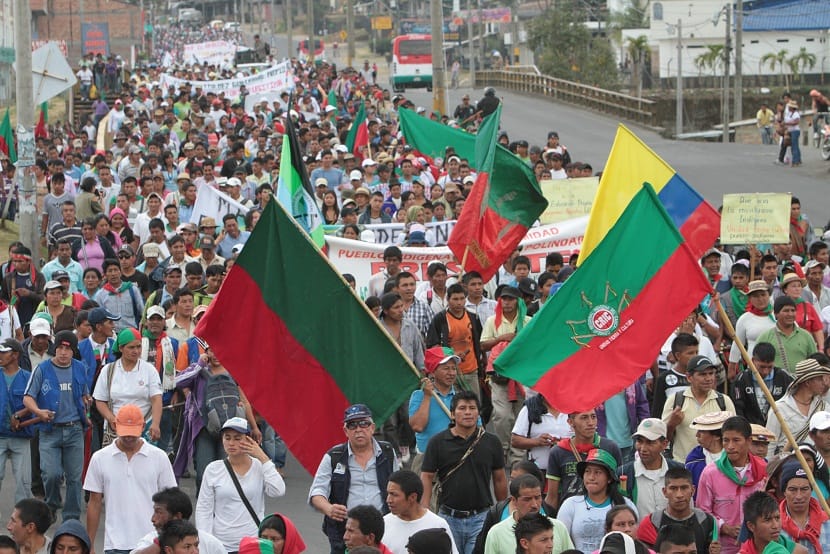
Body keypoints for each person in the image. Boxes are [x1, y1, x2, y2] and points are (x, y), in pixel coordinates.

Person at [420, 390, 507, 554]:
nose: (467, 412)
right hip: (447, 517)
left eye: (472, 408)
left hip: (481, 517)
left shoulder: (491, 442)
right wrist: (425, 509)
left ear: (478, 413)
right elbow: (426, 476)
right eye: (462, 408)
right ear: (453, 414)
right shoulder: (437, 442)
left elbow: (500, 478)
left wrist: (503, 511)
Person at [85, 404, 177, 554]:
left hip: (151, 543)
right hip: (114, 545)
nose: (128, 437)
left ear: (142, 427)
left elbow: (172, 501)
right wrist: (90, 544)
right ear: (115, 426)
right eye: (125, 432)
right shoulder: (99, 459)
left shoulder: (159, 457)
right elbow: (94, 502)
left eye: (133, 432)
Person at [309, 404, 399, 554]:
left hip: (381, 530)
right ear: (345, 431)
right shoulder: (334, 456)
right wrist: (329, 508)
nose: (358, 429)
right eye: (352, 425)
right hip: (345, 532)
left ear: (372, 427)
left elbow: (398, 486)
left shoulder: (387, 452)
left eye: (364, 423)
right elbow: (317, 492)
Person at [173, 344, 261, 492]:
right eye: (212, 351)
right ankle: (205, 504)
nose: (216, 355)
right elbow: (178, 382)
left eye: (220, 350)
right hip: (203, 429)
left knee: (227, 471)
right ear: (206, 352)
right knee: (203, 472)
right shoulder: (199, 371)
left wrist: (254, 427)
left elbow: (244, 401)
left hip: (229, 431)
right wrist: (199, 365)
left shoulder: (234, 372)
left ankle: (223, 504)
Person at [22, 330, 89, 523]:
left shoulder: (80, 368)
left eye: (67, 348)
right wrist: (39, 412)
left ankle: (71, 517)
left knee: (75, 479)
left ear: (73, 350)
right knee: (51, 475)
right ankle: (52, 505)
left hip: (75, 429)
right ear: (54, 348)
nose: (63, 352)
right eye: (59, 347)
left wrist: (86, 400)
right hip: (50, 431)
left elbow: (84, 393)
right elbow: (27, 398)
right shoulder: (42, 369)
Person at [195, 417, 286, 553]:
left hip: (253, 544)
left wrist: (262, 457)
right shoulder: (213, 469)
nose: (231, 443)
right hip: (221, 545)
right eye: (227, 438)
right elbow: (204, 509)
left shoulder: (260, 467)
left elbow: (278, 490)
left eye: (237, 438)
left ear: (249, 440)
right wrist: (205, 544)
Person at [697, 416, 768, 554]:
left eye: (736, 440)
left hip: (757, 548)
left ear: (748, 441)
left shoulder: (762, 471)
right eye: (726, 440)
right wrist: (724, 527)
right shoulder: (710, 473)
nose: (730, 446)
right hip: (723, 549)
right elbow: (703, 512)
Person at [557, 448, 638, 553]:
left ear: (609, 478)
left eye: (597, 472)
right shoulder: (571, 504)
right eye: (587, 471)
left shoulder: (625, 505)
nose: (591, 477)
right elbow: (561, 538)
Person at [92, 328, 163, 447]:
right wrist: (111, 419)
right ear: (121, 348)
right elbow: (100, 400)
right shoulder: (108, 371)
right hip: (116, 429)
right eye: (131, 347)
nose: (136, 351)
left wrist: (155, 424)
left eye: (138, 347)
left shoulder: (149, 370)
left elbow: (156, 399)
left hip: (143, 427)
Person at [545, 409, 623, 513]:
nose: (590, 423)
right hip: (570, 513)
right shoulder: (558, 451)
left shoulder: (610, 447)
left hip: (605, 512)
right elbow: (552, 496)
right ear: (570, 422)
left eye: (593, 417)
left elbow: (620, 486)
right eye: (584, 417)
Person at [662, 355, 735, 462]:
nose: (708, 378)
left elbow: (733, 434)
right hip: (684, 465)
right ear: (689, 377)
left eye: (711, 373)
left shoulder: (724, 401)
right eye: (702, 374)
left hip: (717, 465)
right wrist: (671, 424)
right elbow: (663, 439)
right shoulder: (675, 400)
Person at [482, 473, 573, 554]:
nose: (534, 505)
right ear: (514, 501)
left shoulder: (558, 527)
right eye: (527, 499)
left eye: (537, 498)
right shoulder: (497, 533)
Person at [636, 467, 718, 554]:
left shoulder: (707, 521)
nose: (679, 495)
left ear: (693, 490)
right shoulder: (651, 522)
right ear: (664, 492)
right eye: (673, 488)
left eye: (684, 488)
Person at [408, 346, 461, 473]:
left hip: (457, 460)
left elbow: (478, 428)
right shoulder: (419, 396)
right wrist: (427, 396)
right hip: (426, 460)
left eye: (454, 368)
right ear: (433, 371)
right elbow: (417, 426)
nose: (451, 373)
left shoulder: (462, 398)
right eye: (446, 368)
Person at [617, 418, 684, 517]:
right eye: (639, 441)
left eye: (650, 442)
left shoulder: (679, 471)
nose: (643, 448)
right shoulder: (624, 473)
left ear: (664, 444)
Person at [130, 487, 226, 554]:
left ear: (177, 517)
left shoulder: (211, 544)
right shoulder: (150, 540)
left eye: (159, 512)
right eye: (187, 547)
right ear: (168, 550)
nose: (153, 519)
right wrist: (162, 541)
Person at [382, 469, 458, 554]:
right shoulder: (383, 524)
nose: (388, 500)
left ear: (413, 497)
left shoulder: (437, 525)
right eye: (388, 494)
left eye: (394, 495)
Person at [766, 359, 830, 458]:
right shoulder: (779, 408)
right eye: (819, 379)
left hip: (817, 464)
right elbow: (770, 445)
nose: (824, 383)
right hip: (789, 464)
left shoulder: (824, 407)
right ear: (808, 382)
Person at [0, 339, 35, 502]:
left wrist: (18, 415)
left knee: (23, 483)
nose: (0, 355)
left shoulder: (28, 378)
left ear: (15, 355)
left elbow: (36, 404)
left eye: (3, 352)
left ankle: (22, 522)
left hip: (21, 437)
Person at [732, 342, 793, 426]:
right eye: (762, 367)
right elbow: (737, 408)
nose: (765, 371)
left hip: (777, 426)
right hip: (750, 428)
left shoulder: (784, 377)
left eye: (770, 367)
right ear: (753, 361)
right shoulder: (741, 379)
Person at [776, 460, 830, 553]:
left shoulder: (826, 522)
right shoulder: (775, 525)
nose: (799, 496)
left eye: (804, 489)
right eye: (792, 489)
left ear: (811, 490)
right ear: (784, 492)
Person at [511, 393, 570, 472]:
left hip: (569, 471)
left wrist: (565, 443)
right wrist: (537, 442)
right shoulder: (530, 408)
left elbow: (587, 437)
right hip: (539, 472)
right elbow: (515, 440)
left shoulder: (574, 408)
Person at [739, 491, 808, 554]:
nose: (775, 526)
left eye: (777, 518)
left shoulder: (799, 552)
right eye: (767, 520)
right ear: (751, 526)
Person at [685, 411, 731, 492]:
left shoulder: (734, 456)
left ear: (717, 436)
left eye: (702, 431)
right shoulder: (693, 460)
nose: (697, 435)